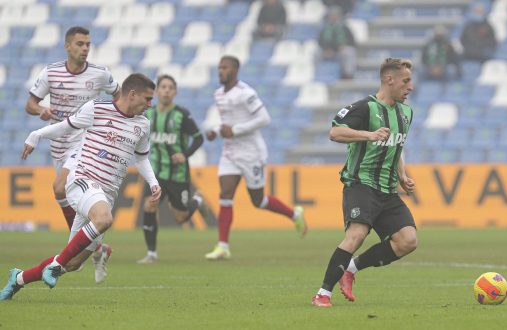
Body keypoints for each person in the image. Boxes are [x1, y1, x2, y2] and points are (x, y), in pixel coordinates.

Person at [0, 73, 161, 300]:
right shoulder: (96, 108)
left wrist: (153, 183)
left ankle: (18, 278)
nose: (150, 104)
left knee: (74, 263)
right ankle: (56, 266)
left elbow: (142, 158)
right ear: (132, 94)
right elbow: (65, 127)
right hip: (82, 180)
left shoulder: (142, 124)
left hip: (106, 193)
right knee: (103, 220)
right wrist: (36, 134)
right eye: (147, 98)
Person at [311, 58, 418, 307]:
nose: (410, 86)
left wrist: (402, 175)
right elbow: (335, 132)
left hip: (387, 189)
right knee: (356, 234)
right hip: (361, 184)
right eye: (406, 81)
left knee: (408, 240)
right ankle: (322, 294)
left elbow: (397, 145)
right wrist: (368, 134)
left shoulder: (406, 112)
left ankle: (350, 268)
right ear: (388, 79)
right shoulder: (364, 108)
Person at [25, 26, 120, 284]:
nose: (85, 48)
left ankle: (84, 246)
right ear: (67, 46)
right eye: (80, 44)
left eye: (88, 44)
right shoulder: (51, 72)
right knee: (64, 194)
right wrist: (40, 110)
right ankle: (97, 247)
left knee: (58, 188)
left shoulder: (100, 74)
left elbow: (120, 97)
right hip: (59, 143)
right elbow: (30, 103)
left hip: (85, 143)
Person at [203, 55, 307, 260]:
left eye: (224, 68)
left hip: (252, 153)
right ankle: (223, 246)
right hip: (230, 152)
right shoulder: (218, 94)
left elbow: (264, 118)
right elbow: (228, 122)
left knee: (258, 201)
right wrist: (215, 130)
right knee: (225, 194)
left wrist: (236, 130)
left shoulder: (246, 93)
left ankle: (294, 214)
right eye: (219, 67)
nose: (220, 71)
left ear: (235, 70)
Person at [137, 74, 217, 264]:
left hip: (178, 175)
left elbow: (198, 138)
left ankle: (197, 200)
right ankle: (151, 254)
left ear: (175, 92)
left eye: (170, 88)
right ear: (156, 91)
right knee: (149, 205)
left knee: (180, 218)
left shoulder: (182, 114)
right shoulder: (148, 114)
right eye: (163, 87)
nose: (166, 91)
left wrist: (185, 154)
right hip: (156, 172)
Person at [317, 6, 357, 79]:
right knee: (316, 52)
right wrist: (326, 49)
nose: (334, 17)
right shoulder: (325, 28)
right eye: (332, 15)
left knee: (349, 52)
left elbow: (352, 42)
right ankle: (318, 73)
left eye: (335, 15)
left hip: (341, 51)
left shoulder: (345, 28)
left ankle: (347, 75)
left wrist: (343, 47)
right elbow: (320, 41)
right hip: (327, 51)